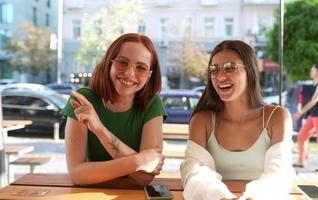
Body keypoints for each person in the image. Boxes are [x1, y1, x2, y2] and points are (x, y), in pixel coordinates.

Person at [180, 40, 294, 200]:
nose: (219, 76)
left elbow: (279, 174)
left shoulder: (277, 118)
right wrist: (223, 198)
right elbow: (193, 171)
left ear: (250, 71)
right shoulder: (202, 120)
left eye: (229, 68)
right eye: (214, 69)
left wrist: (252, 198)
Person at [61, 33, 167, 185]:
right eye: (123, 62)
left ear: (149, 75)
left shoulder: (152, 104)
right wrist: (138, 160)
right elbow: (77, 174)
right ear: (109, 63)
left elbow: (145, 178)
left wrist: (100, 130)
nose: (130, 73)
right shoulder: (83, 100)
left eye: (141, 68)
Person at [293, 64, 318, 172]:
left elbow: (314, 101)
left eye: (313, 70)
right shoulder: (314, 84)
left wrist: (300, 112)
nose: (311, 72)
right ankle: (301, 160)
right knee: (301, 136)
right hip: (312, 116)